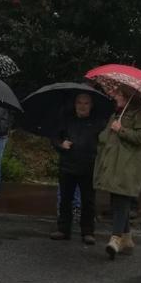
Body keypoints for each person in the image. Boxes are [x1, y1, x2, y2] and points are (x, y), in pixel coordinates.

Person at [94, 86, 141, 259]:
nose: (115, 96)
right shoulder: (117, 113)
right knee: (117, 201)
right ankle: (127, 240)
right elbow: (106, 136)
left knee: (122, 199)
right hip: (114, 163)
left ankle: (115, 239)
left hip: (129, 165)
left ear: (128, 96)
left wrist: (121, 130)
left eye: (119, 94)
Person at [49, 93, 102, 245]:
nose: (82, 106)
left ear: (91, 105)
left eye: (86, 103)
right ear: (75, 104)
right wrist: (61, 144)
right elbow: (54, 138)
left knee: (88, 201)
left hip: (89, 166)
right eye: (79, 102)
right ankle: (63, 229)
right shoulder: (66, 120)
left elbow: (104, 143)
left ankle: (88, 231)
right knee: (65, 200)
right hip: (67, 165)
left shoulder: (98, 122)